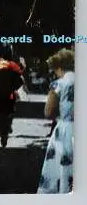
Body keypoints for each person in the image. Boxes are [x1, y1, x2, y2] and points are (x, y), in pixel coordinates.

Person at [37, 49, 74, 194]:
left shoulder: (58, 84)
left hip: (66, 130)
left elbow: (49, 112)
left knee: (61, 170)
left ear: (59, 67)